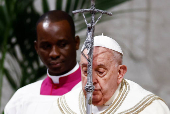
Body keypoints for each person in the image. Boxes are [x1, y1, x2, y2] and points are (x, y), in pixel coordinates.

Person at [49, 34, 170, 114]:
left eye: (100, 72)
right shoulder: (64, 107)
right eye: (86, 71)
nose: (91, 80)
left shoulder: (150, 109)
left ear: (120, 73)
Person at [5, 10, 81, 113]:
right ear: (37, 48)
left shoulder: (98, 93)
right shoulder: (22, 99)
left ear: (76, 43)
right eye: (46, 46)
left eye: (62, 45)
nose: (54, 54)